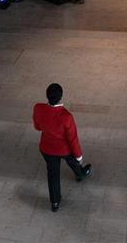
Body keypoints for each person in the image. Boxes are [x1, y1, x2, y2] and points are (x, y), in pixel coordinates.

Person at [33, 83, 92, 212]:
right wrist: (79, 156)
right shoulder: (66, 117)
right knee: (73, 160)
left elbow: (37, 127)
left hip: (46, 148)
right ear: (61, 97)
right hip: (63, 149)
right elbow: (72, 139)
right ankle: (80, 173)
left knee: (53, 174)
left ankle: (55, 202)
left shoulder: (38, 108)